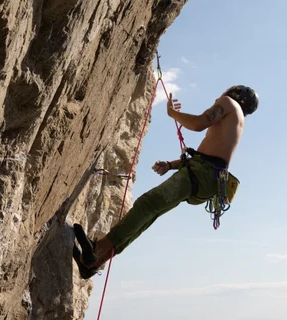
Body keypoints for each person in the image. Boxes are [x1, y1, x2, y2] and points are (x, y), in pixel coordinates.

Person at [73, 85, 259, 279]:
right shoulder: (237, 120)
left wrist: (172, 113)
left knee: (147, 204)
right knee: (151, 214)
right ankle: (93, 263)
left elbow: (198, 124)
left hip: (202, 173)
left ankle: (96, 250)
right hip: (208, 179)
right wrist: (170, 165)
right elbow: (211, 156)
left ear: (235, 94)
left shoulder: (228, 103)